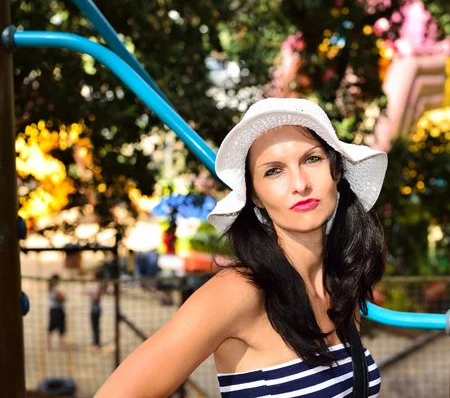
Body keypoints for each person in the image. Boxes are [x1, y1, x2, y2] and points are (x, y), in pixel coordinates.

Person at [95, 98, 388, 397]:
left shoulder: (340, 287)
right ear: (255, 196)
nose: (300, 183)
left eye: (311, 159)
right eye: (274, 171)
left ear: (336, 171)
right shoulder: (239, 292)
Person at [47, 274, 67, 350]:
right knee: (59, 328)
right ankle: (61, 346)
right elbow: (61, 297)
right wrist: (62, 297)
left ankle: (50, 345)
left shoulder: (51, 288)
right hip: (57, 310)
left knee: (52, 328)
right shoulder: (54, 288)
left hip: (54, 310)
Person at [88, 270, 105, 351]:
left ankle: (96, 344)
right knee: (94, 327)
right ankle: (95, 343)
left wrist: (90, 295)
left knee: (96, 327)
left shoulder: (99, 285)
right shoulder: (95, 284)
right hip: (93, 308)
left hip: (96, 309)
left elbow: (96, 297)